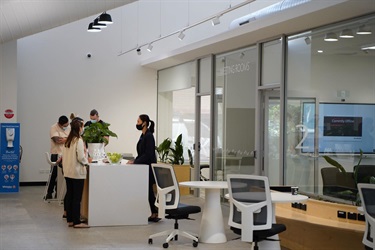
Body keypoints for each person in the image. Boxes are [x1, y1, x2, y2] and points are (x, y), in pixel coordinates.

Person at [128, 114, 159, 222]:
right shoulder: (143, 135)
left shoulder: (149, 136)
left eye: (138, 121)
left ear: (144, 123)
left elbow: (149, 154)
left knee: (149, 191)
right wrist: (135, 160)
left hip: (149, 168)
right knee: (148, 191)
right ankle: (154, 212)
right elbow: (142, 153)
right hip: (144, 167)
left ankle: (155, 212)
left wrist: (136, 161)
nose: (137, 123)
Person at [62, 117, 90, 228]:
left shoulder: (68, 140)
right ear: (79, 128)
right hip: (77, 173)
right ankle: (77, 222)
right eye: (82, 126)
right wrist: (86, 162)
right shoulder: (78, 140)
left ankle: (70, 220)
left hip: (68, 172)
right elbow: (81, 157)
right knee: (76, 198)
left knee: (70, 196)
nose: (83, 128)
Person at [46, 115, 70, 200]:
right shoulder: (54, 128)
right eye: (65, 126)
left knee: (63, 174)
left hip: (66, 153)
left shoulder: (69, 127)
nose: (66, 127)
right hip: (56, 154)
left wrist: (65, 139)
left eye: (67, 125)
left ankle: (58, 192)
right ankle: (49, 193)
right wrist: (68, 139)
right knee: (54, 174)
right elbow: (57, 140)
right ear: (60, 124)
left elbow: (73, 138)